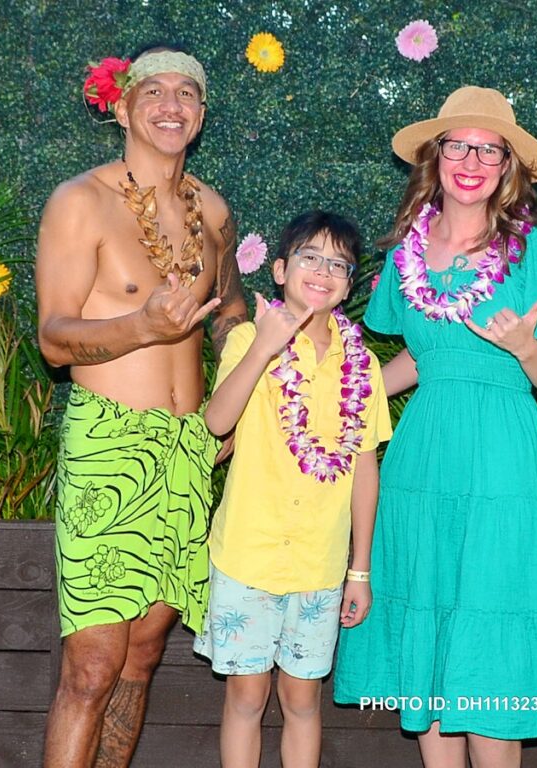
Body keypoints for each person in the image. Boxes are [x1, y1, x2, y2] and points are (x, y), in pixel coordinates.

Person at [334, 86, 537, 768]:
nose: (472, 160)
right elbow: (419, 361)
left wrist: (524, 349)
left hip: (503, 457)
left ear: (507, 164)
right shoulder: (407, 255)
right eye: (460, 145)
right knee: (429, 618)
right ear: (437, 156)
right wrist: (340, 401)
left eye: (490, 148)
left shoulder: (534, 248)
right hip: (423, 457)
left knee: (488, 637)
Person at [36, 46, 247, 767]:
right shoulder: (80, 201)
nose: (170, 105)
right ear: (122, 108)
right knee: (92, 665)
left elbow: (232, 305)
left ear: (201, 114)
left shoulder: (211, 208)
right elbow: (54, 339)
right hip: (108, 444)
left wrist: (245, 361)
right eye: (152, 91)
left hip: (189, 448)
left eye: (186, 93)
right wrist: (141, 327)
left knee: (143, 656)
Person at [193, 211, 391, 768]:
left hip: (319, 564)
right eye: (309, 257)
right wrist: (263, 349)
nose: (323, 271)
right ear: (279, 269)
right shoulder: (251, 340)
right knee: (247, 695)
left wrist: (360, 570)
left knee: (303, 699)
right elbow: (216, 422)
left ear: (349, 286)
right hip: (248, 555)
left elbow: (365, 469)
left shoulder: (364, 365)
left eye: (338, 264)